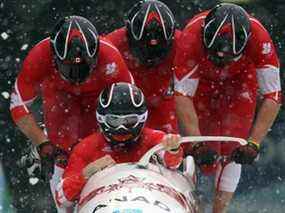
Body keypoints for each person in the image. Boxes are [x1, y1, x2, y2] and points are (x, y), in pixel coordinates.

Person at [10, 16, 133, 212]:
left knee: (110, 146)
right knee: (62, 153)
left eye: (83, 66)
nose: (77, 75)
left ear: (95, 56)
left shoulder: (110, 57)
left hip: (99, 101)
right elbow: (18, 106)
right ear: (55, 57)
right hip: (60, 99)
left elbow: (131, 102)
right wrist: (42, 142)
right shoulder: (39, 56)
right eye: (70, 66)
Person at [174, 3, 281, 213]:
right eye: (215, 54)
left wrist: (254, 143)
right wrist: (196, 144)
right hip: (202, 82)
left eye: (228, 56)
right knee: (197, 147)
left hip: (240, 81)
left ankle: (219, 211)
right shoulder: (191, 37)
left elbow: (273, 96)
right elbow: (183, 95)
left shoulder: (260, 39)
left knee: (235, 146)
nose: (221, 61)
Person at [55, 82, 183, 207]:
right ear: (102, 119)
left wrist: (173, 149)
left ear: (141, 118)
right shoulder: (86, 148)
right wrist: (85, 174)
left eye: (129, 121)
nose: (121, 128)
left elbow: (172, 162)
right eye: (114, 120)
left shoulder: (155, 139)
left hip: (152, 202)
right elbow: (62, 198)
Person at [105, 0, 180, 133]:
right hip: (123, 108)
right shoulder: (112, 46)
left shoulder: (182, 44)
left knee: (169, 142)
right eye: (144, 47)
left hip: (163, 102)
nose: (151, 56)